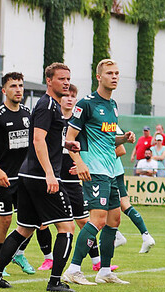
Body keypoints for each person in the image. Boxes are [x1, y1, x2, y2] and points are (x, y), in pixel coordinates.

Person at [0, 63, 80, 292]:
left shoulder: (49, 106)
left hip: (28, 175)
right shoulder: (47, 104)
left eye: (68, 79)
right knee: (67, 227)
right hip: (40, 176)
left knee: (24, 229)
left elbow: (44, 138)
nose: (66, 83)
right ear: (49, 81)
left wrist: (65, 143)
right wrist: (50, 174)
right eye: (61, 79)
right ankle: (55, 281)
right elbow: (38, 141)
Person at [61, 59, 137, 287]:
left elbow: (107, 138)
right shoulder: (86, 104)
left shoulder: (113, 105)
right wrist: (79, 162)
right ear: (99, 77)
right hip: (94, 170)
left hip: (110, 170)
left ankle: (104, 271)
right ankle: (73, 269)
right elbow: (69, 140)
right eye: (109, 73)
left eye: (117, 73)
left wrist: (124, 138)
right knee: (98, 220)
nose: (114, 77)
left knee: (114, 219)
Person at [36, 83, 113, 274]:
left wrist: (79, 162)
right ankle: (48, 259)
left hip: (73, 183)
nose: (69, 99)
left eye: (73, 96)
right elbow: (43, 144)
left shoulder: (81, 122)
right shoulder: (53, 118)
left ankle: (96, 261)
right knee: (41, 222)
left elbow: (87, 146)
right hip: (54, 178)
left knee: (84, 221)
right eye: (66, 95)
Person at [0, 72, 38, 277]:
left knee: (33, 220)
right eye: (13, 86)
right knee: (4, 221)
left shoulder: (26, 113)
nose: (18, 89)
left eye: (21, 85)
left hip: (23, 177)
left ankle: (18, 253)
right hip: (1, 178)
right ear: (4, 90)